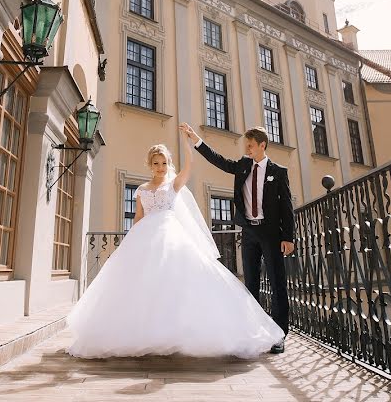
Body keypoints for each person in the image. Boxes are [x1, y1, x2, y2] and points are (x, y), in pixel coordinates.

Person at [66, 132, 283, 358]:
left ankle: (176, 332)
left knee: (176, 281)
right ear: (149, 165)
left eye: (164, 163)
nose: (160, 167)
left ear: (169, 164)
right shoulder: (141, 190)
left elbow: (189, 167)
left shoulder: (173, 185)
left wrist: (189, 144)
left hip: (171, 237)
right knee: (141, 284)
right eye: (156, 163)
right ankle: (145, 332)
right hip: (144, 237)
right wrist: (128, 243)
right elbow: (138, 217)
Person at [181, 123, 295, 354]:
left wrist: (288, 237)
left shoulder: (278, 171)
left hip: (271, 233)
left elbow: (287, 207)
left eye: (251, 146)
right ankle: (252, 332)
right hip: (249, 232)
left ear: (262, 145)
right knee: (250, 283)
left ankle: (279, 334)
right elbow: (220, 161)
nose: (248, 150)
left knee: (276, 283)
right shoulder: (243, 165)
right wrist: (196, 139)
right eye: (246, 146)